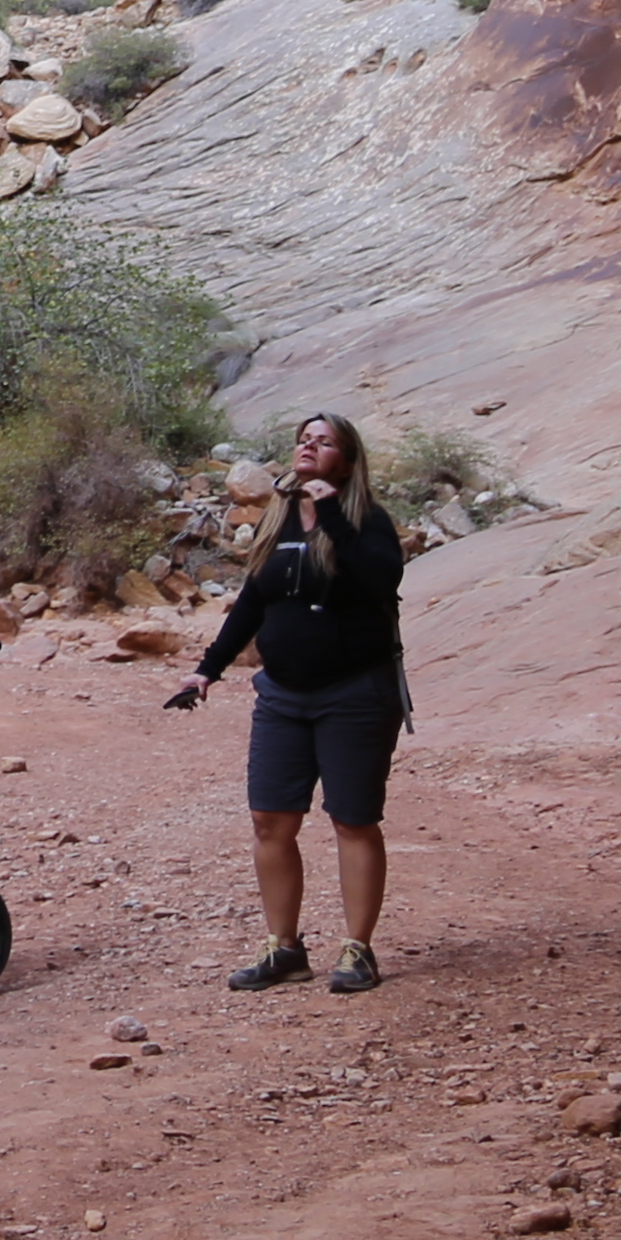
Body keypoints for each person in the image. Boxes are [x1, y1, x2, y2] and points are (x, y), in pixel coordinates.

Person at [166, 410, 407, 995]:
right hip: (282, 695)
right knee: (271, 820)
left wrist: (328, 511)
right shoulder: (278, 521)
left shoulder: (366, 520)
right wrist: (207, 671)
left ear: (346, 462)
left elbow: (379, 581)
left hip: (355, 693)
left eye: (324, 443)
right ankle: (285, 949)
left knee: (353, 819)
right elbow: (253, 603)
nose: (309, 447)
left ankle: (357, 949)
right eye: (304, 440)